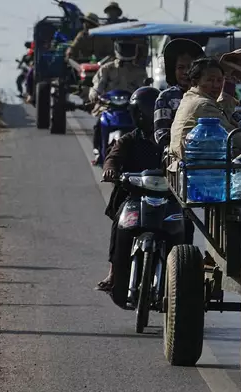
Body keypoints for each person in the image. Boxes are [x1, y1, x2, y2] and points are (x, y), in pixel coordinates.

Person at [97, 86, 162, 291]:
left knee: (184, 222)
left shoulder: (169, 140)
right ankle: (113, 272)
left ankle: (184, 269)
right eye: (147, 111)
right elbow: (113, 157)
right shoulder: (129, 139)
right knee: (119, 225)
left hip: (167, 194)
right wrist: (110, 170)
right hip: (134, 193)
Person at [168, 57, 241, 163]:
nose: (216, 85)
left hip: (190, 162)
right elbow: (233, 137)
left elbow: (224, 109)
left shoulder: (191, 97)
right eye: (210, 80)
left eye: (219, 80)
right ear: (195, 81)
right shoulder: (203, 104)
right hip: (200, 167)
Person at [89, 37, 150, 163]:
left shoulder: (140, 72)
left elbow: (143, 89)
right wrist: (94, 94)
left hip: (131, 108)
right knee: (98, 125)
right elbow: (97, 86)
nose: (126, 50)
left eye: (129, 47)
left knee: (144, 129)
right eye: (124, 47)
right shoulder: (106, 69)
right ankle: (97, 151)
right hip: (108, 106)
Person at [153, 38, 205, 148]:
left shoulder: (208, 94)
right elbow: (160, 134)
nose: (186, 72)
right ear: (174, 70)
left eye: (190, 67)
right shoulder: (166, 97)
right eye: (181, 68)